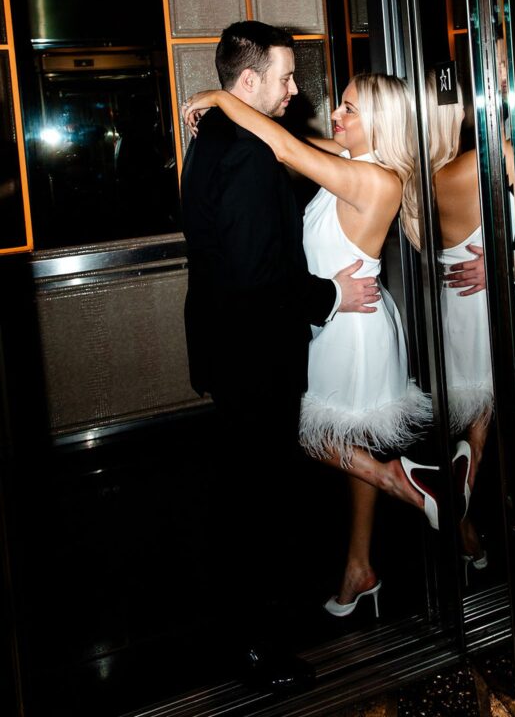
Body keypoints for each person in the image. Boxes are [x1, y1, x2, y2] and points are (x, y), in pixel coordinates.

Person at [183, 71, 436, 624]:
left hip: (351, 329)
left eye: (348, 109)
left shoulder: (374, 181)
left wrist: (221, 98)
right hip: (338, 317)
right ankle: (361, 565)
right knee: (346, 438)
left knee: (306, 434)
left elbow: (283, 145)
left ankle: (404, 483)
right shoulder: (355, 168)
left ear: (381, 122)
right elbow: (303, 144)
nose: (335, 115)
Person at [180, 20, 381, 693]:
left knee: (242, 492)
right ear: (248, 82)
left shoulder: (216, 139)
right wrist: (330, 294)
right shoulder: (245, 155)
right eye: (286, 77)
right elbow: (253, 273)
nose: (296, 90)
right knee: (259, 503)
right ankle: (256, 650)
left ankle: (241, 632)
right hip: (253, 352)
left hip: (225, 345)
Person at [402, 71, 493, 578]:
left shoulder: (420, 179)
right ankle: (460, 515)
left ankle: (462, 516)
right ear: (458, 112)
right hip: (479, 303)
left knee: (476, 416)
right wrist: (506, 264)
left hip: (453, 303)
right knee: (481, 423)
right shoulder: (476, 164)